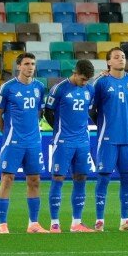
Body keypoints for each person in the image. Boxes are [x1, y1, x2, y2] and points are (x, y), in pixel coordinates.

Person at [0, 52, 46, 234]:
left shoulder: (40, 87)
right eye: (26, 64)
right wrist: (8, 134)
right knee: (7, 179)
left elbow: (39, 112)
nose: (30, 67)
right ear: (18, 66)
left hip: (33, 142)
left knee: (34, 181)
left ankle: (33, 224)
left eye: (32, 63)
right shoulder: (7, 88)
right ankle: (3, 225)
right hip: (13, 141)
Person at [91, 48, 128, 232]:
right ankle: (99, 221)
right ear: (109, 62)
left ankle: (125, 220)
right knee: (103, 178)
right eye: (117, 57)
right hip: (108, 139)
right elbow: (91, 108)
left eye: (123, 56)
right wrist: (104, 124)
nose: (121, 59)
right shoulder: (101, 82)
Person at [44, 60, 96, 232]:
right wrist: (59, 130)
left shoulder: (89, 89)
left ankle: (76, 222)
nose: (84, 82)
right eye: (82, 79)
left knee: (81, 178)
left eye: (87, 80)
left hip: (82, 141)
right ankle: (54, 223)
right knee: (58, 178)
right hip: (64, 141)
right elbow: (48, 112)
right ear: (75, 72)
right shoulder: (59, 89)